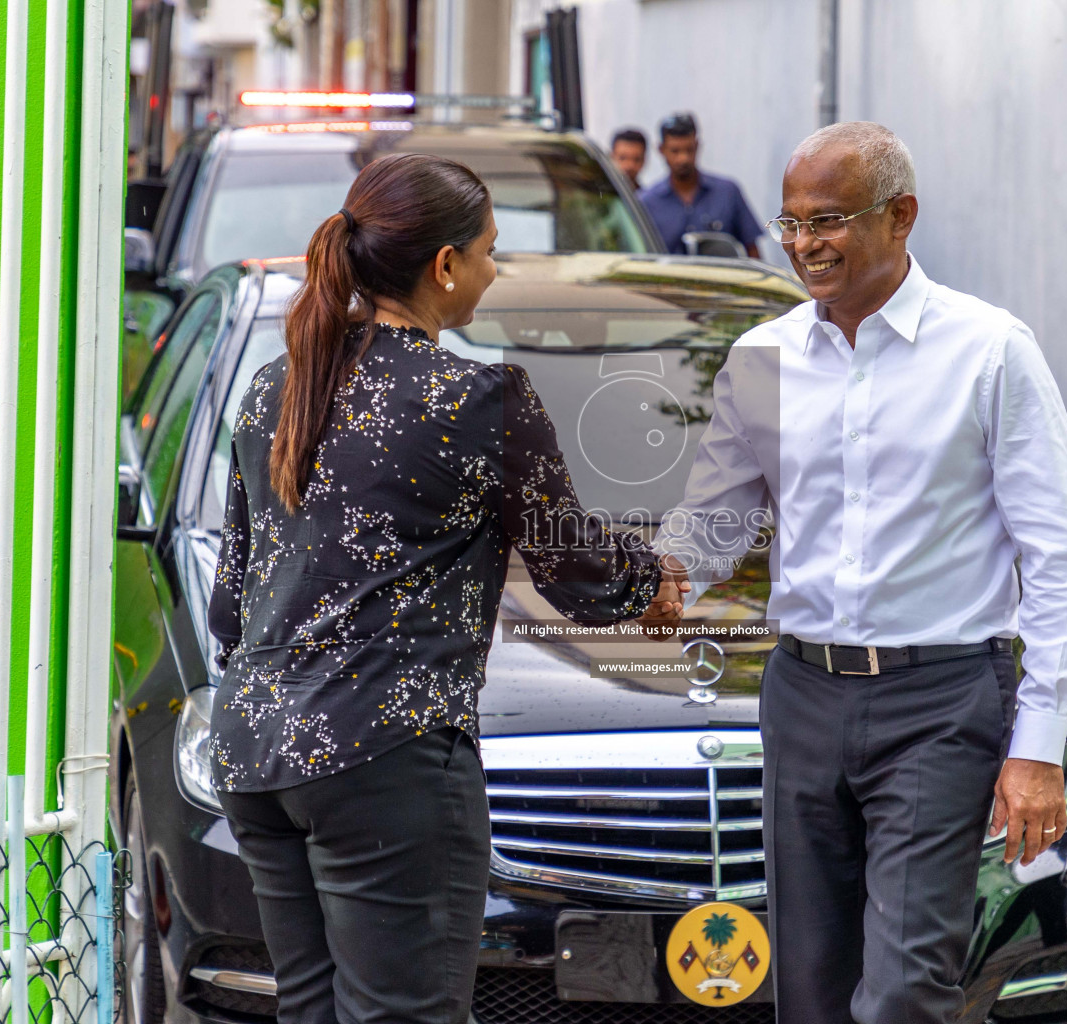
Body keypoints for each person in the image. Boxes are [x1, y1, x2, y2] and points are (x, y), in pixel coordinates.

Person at [206, 152, 673, 1024]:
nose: (496, 272)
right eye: (490, 250)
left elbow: (231, 598)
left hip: (256, 750)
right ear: (445, 265)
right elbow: (573, 569)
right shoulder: (477, 398)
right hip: (386, 756)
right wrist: (652, 581)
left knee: (309, 1009)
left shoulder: (274, 387)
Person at [644, 121, 1067, 1024]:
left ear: (902, 217)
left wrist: (1038, 747)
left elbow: (1055, 559)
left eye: (830, 220)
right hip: (802, 695)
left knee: (902, 990)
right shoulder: (764, 357)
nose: (805, 243)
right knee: (806, 985)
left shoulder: (991, 352)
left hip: (941, 702)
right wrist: (658, 578)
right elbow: (719, 517)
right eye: (792, 222)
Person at [637, 112, 761, 257]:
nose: (683, 159)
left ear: (697, 146)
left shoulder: (727, 193)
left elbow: (752, 251)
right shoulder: (646, 202)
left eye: (689, 150)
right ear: (661, 150)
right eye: (675, 151)